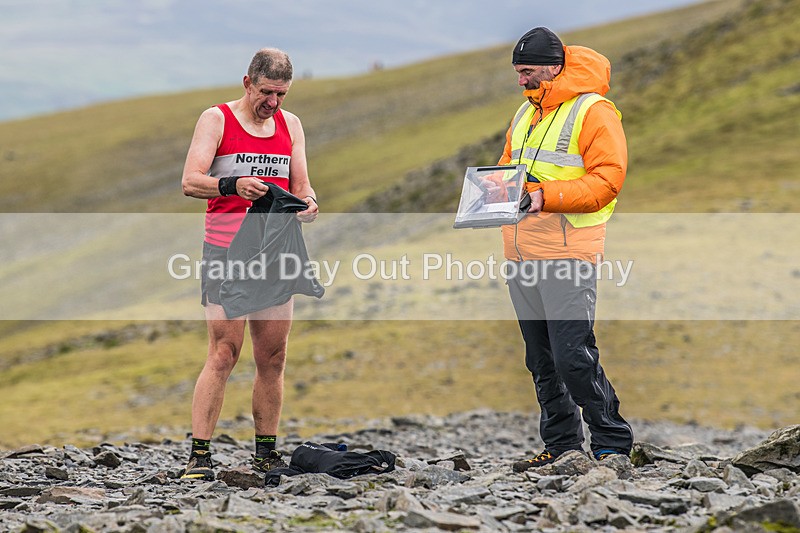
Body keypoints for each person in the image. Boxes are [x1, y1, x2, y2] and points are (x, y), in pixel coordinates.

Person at [491, 27, 634, 471]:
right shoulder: (524, 114)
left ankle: (611, 442)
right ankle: (562, 447)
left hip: (569, 252)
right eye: (517, 72)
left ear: (554, 67)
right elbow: (505, 171)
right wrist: (488, 193)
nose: (521, 80)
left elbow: (607, 181)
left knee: (573, 357)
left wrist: (543, 196)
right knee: (541, 361)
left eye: (527, 71)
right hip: (520, 254)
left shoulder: (594, 111)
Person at [179, 48, 318, 480]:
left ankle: (266, 453)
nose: (272, 103)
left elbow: (303, 185)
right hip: (226, 252)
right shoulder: (216, 119)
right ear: (247, 83)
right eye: (265, 93)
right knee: (224, 352)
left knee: (273, 357)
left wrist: (309, 204)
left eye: (281, 94)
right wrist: (233, 185)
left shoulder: (290, 124)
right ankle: (200, 458)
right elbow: (190, 181)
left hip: (277, 252)